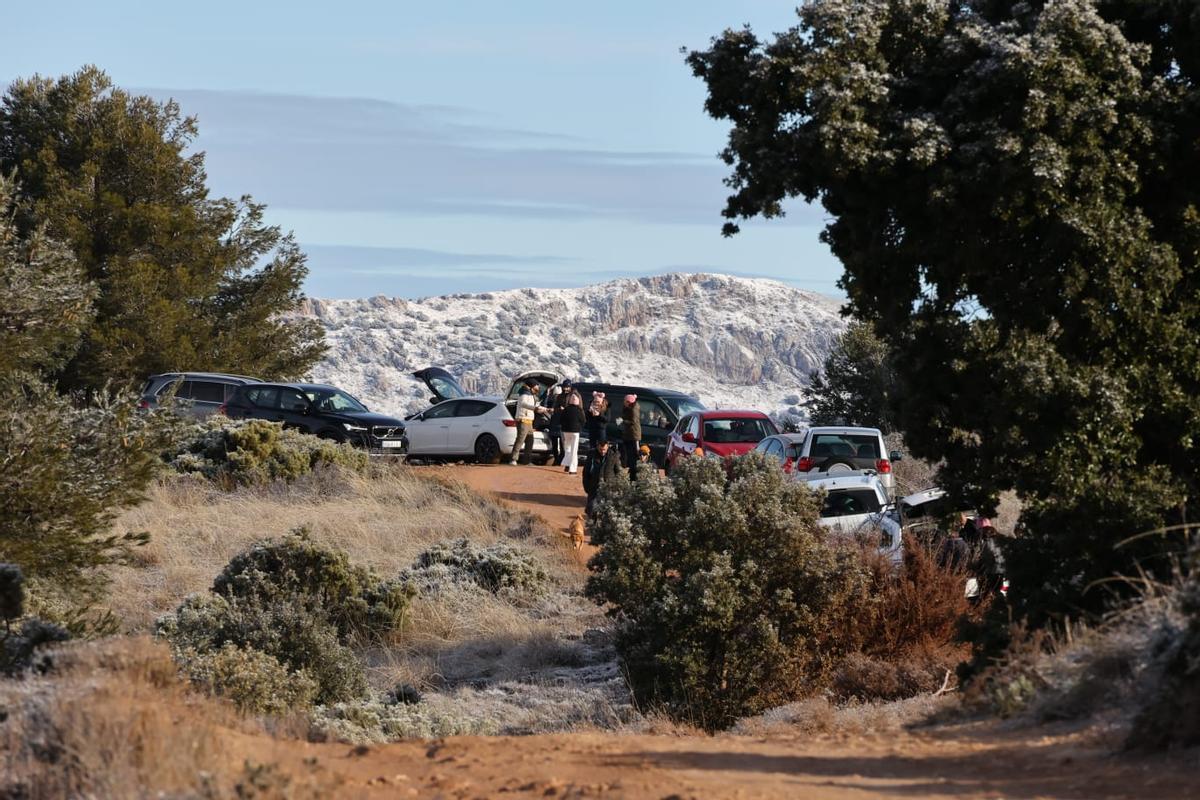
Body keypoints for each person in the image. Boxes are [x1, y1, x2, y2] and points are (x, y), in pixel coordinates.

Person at [582, 438, 622, 517]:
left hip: (608, 487)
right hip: (593, 486)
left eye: (604, 449)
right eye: (601, 449)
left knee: (606, 512)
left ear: (608, 447)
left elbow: (618, 472)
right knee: (591, 508)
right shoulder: (591, 455)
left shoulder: (613, 456)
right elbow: (586, 472)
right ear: (597, 447)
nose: (602, 452)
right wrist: (586, 486)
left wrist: (617, 486)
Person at [509, 381, 540, 465]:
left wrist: (542, 408)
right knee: (520, 439)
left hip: (529, 420)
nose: (537, 389)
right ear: (531, 386)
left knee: (530, 440)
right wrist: (534, 408)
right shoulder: (524, 394)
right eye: (536, 387)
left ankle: (527, 460)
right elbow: (523, 404)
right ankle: (513, 459)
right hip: (523, 419)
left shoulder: (531, 395)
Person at [560, 391, 586, 474]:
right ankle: (572, 469)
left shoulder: (566, 409)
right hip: (575, 431)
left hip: (566, 431)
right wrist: (579, 427)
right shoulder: (579, 410)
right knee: (574, 450)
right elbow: (583, 421)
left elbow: (561, 420)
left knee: (567, 448)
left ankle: (567, 464)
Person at [620, 394, 641, 478]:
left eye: (625, 401)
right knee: (629, 454)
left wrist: (623, 421)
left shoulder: (634, 409)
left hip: (633, 435)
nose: (623, 402)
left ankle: (634, 472)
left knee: (635, 454)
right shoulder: (628, 408)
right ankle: (631, 470)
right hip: (629, 434)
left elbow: (633, 421)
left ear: (629, 402)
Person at [546, 385, 565, 463]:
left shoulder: (563, 402)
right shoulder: (551, 401)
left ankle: (559, 459)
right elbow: (546, 408)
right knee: (556, 444)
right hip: (555, 424)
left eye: (557, 395)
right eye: (555, 395)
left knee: (562, 444)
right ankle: (557, 459)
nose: (556, 396)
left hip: (560, 424)